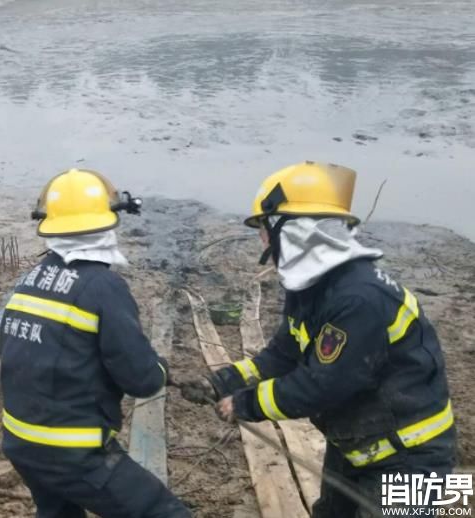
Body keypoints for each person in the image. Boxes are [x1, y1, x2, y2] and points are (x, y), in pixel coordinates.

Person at [178, 161, 457, 517]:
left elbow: (321, 385)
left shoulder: (359, 299)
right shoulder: (313, 287)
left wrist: (246, 404)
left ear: (294, 232)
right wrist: (221, 382)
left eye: (265, 230)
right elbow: (283, 353)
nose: (262, 241)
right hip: (358, 443)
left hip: (413, 457)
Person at [0, 169, 192, 518]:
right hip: (71, 451)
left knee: (58, 511)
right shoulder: (103, 288)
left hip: (20, 441)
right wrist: (160, 368)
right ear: (106, 224)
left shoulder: (28, 280)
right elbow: (142, 380)